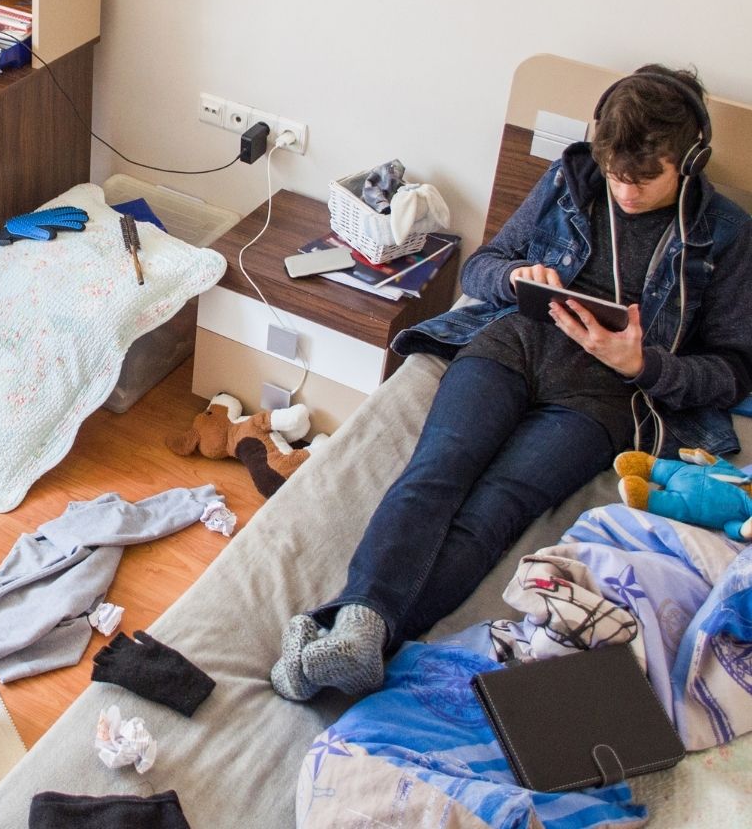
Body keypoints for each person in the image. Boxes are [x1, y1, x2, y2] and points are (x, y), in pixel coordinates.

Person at [271, 64, 752, 702]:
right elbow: (483, 269)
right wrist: (521, 278)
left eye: (644, 178)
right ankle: (361, 626)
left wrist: (645, 367)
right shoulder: (571, 179)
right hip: (514, 344)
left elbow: (735, 366)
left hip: (607, 394)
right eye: (615, 175)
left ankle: (358, 628)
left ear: (689, 162)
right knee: (439, 468)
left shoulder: (726, 234)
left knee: (496, 509)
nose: (626, 192)